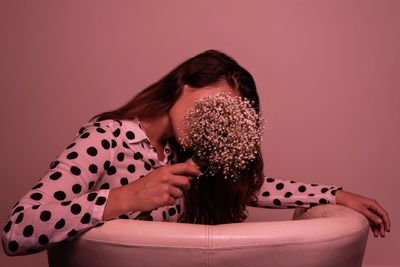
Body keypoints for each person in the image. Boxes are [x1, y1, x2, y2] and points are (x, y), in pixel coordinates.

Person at [1, 49, 391, 256]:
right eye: (214, 104)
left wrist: (332, 194)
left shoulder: (181, 154)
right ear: (185, 84)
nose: (215, 120)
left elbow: (251, 188)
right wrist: (125, 198)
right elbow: (18, 230)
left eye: (228, 116)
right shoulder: (108, 136)